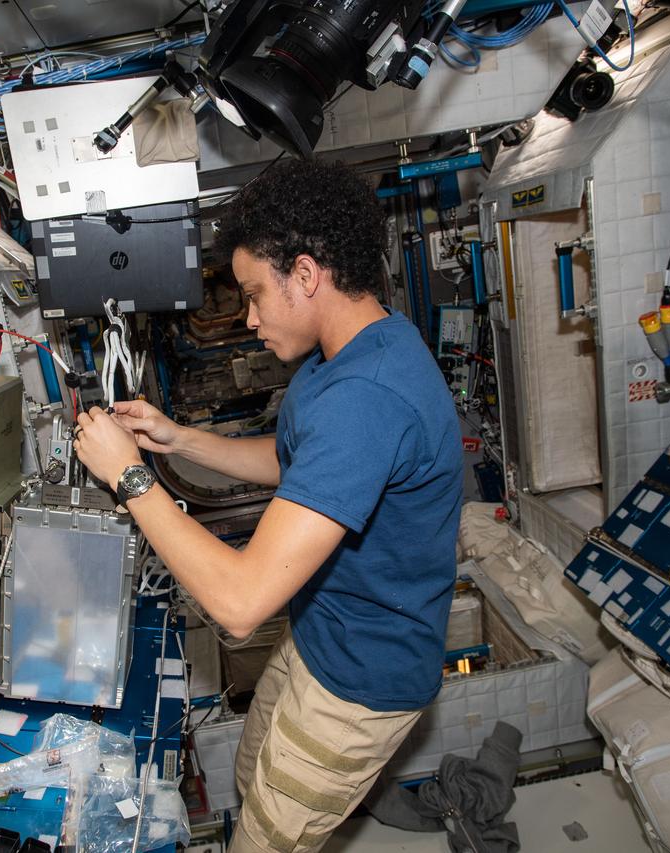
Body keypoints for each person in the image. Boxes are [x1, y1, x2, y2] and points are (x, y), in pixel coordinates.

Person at [73, 157, 463, 852]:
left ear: (307, 274)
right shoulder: (346, 355)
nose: (248, 318)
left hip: (360, 683)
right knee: (253, 772)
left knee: (265, 839)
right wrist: (180, 438)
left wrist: (132, 477)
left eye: (255, 294)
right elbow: (297, 464)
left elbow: (241, 602)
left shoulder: (366, 397)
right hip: (322, 636)